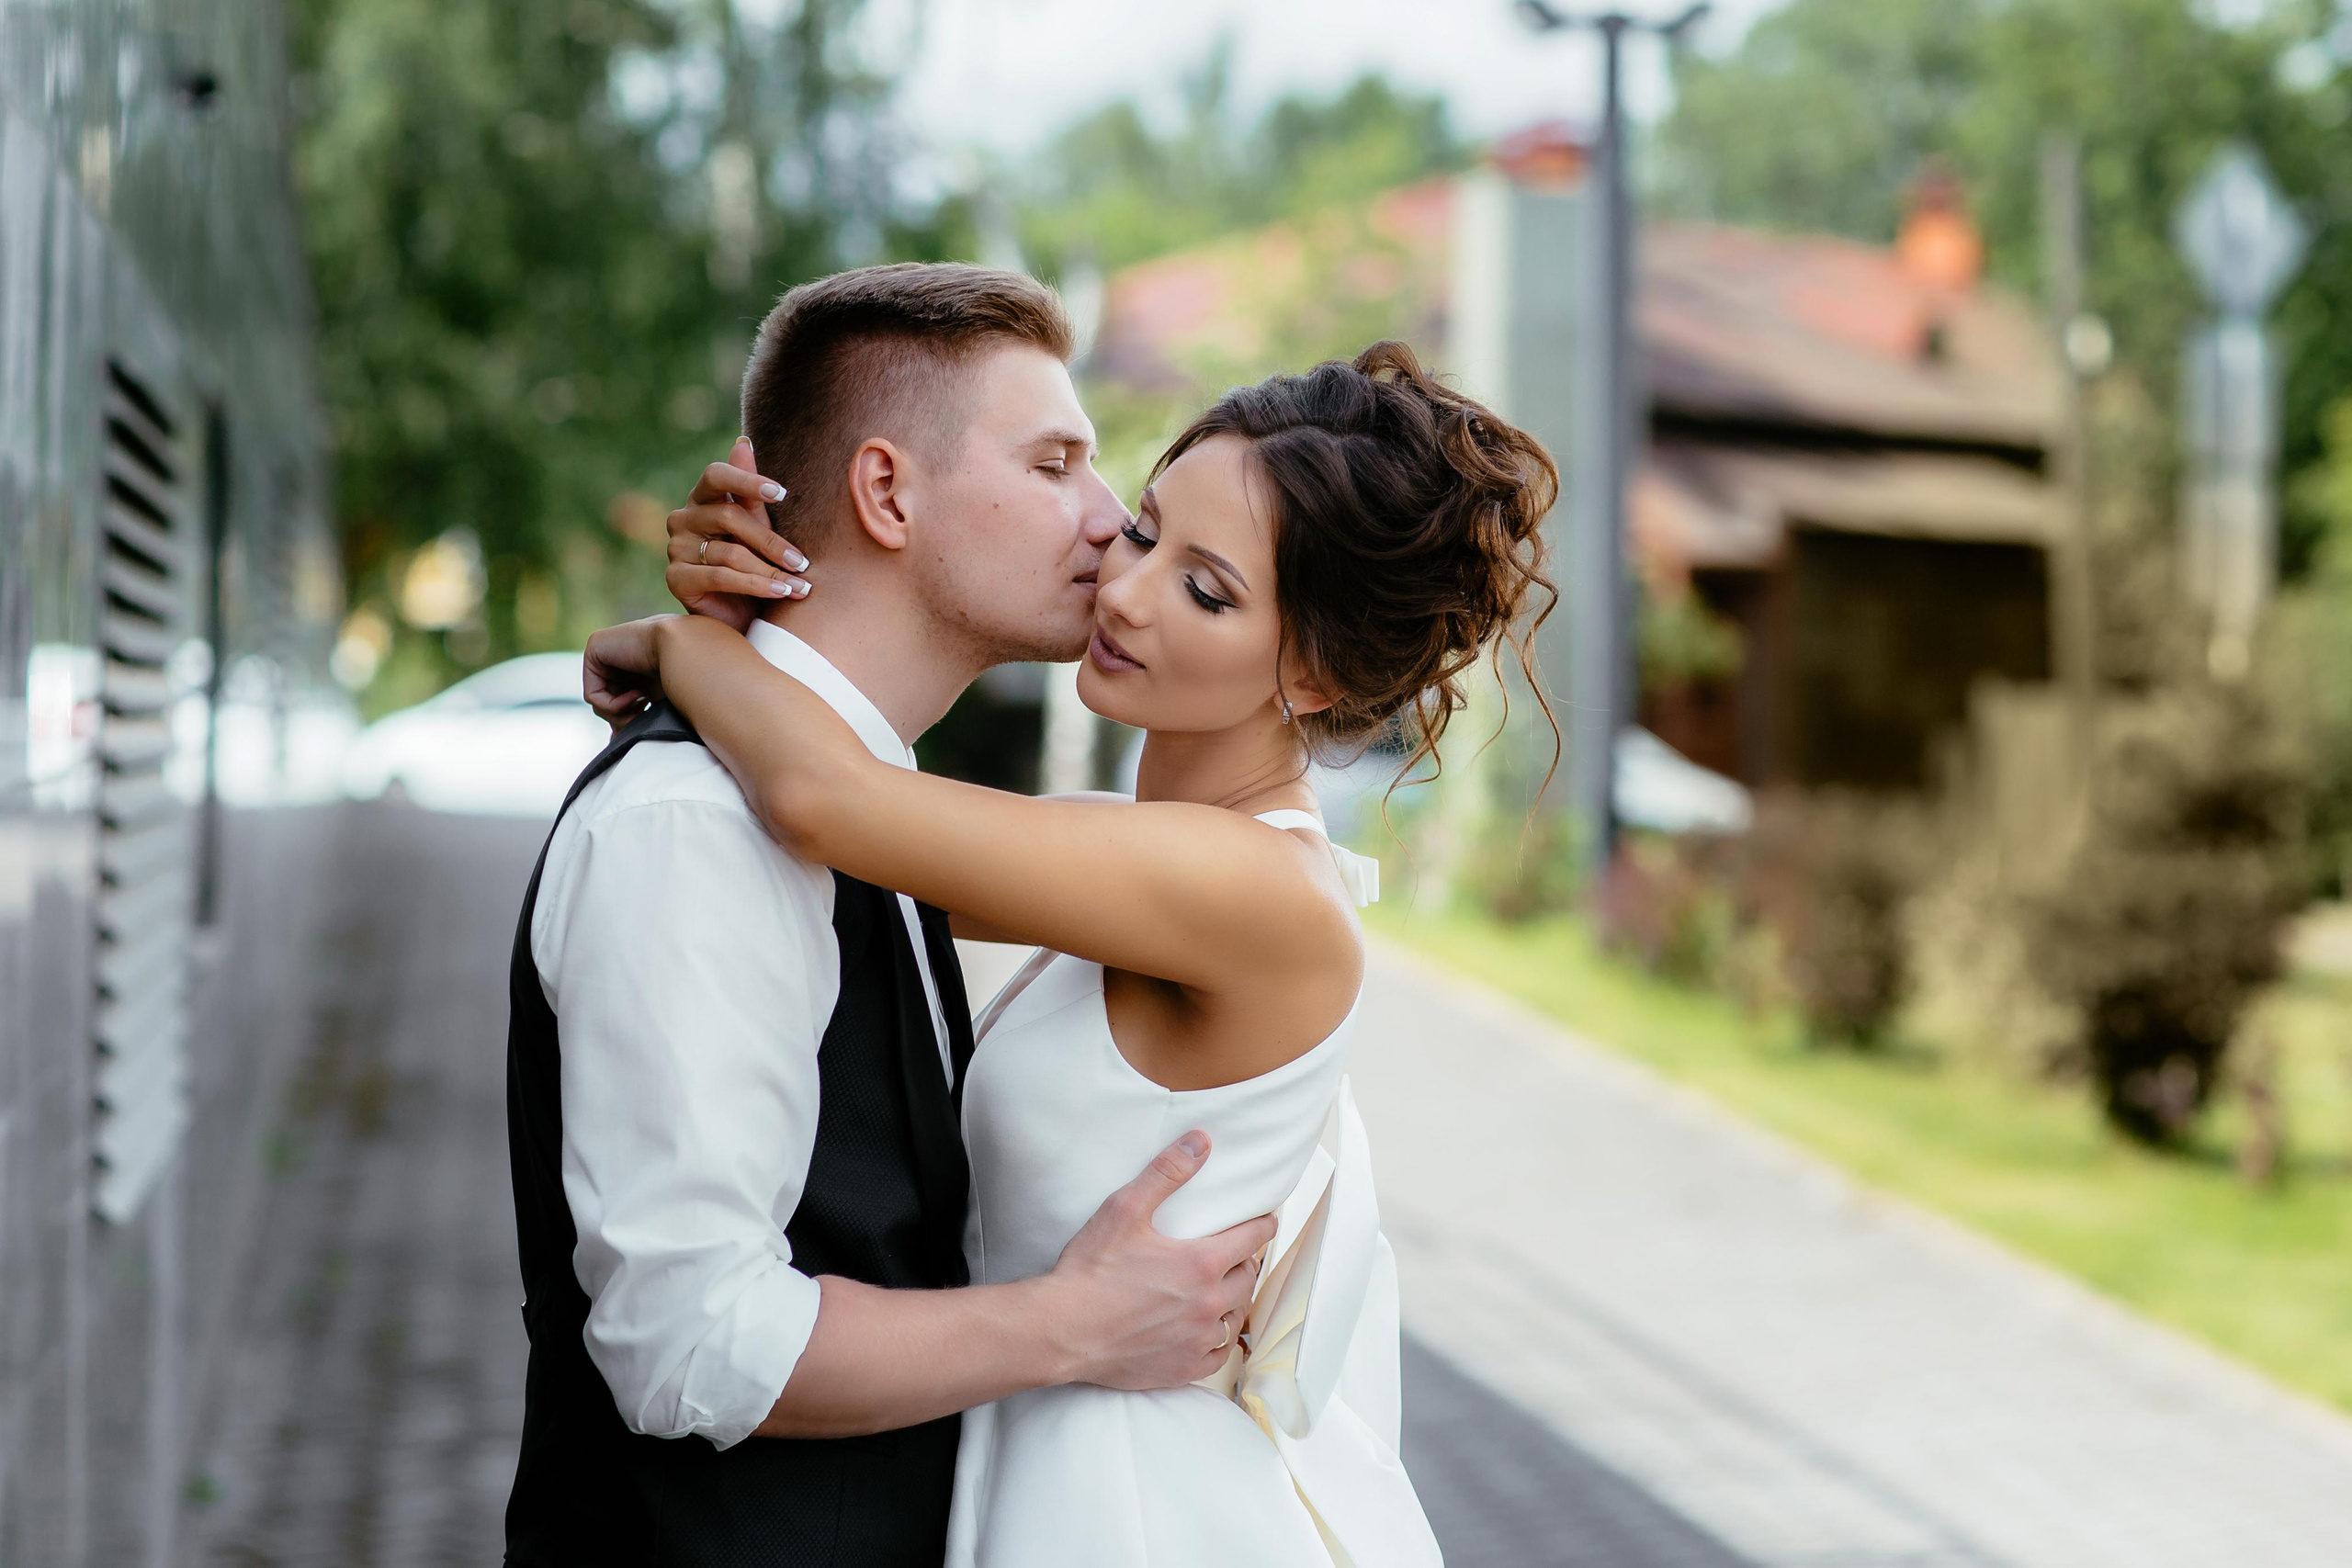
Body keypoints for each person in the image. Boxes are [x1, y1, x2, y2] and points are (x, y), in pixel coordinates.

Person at [588, 328, 1558, 1565]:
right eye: (1147, 532)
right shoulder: (1132, 852)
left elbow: (831, 803)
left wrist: (686, 645)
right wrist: (786, 594)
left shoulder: (1252, 892)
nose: (1129, 591)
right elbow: (852, 842)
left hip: (1145, 1514)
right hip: (1056, 1476)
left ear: (1312, 675)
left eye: (1209, 590)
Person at [503, 265, 1283, 1568]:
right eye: (1055, 465)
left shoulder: (870, 805)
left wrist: (682, 642)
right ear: (884, 491)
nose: (1106, 528)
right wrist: (1071, 1324)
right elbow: (691, 1344)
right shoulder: (694, 821)